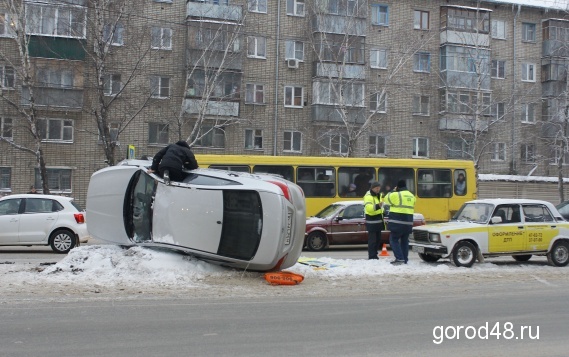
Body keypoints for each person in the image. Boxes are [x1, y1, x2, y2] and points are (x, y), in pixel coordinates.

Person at [385, 179, 416, 265]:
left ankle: (399, 258)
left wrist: (393, 191)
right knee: (404, 241)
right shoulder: (412, 196)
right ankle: (405, 259)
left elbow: (386, 199)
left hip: (397, 222)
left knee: (393, 240)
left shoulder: (396, 195)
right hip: (408, 223)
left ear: (398, 187)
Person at [364, 181, 384, 260]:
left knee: (378, 240)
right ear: (372, 188)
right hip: (372, 221)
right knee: (372, 241)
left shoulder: (378, 195)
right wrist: (378, 206)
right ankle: (372, 257)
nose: (378, 189)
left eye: (379, 188)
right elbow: (369, 208)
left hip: (378, 221)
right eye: (376, 188)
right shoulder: (369, 196)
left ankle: (375, 255)